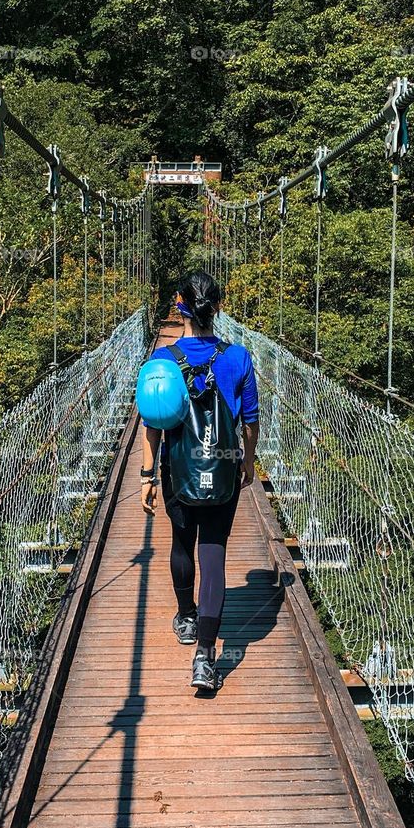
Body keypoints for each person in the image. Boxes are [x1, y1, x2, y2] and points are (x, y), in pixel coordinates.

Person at [139, 271, 259, 692]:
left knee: (180, 542)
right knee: (214, 554)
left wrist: (146, 477)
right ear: (219, 307)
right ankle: (205, 657)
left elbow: (152, 425)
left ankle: (186, 616)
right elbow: (250, 420)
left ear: (180, 307)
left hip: (178, 470)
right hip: (223, 470)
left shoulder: (162, 363)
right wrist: (247, 462)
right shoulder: (239, 357)